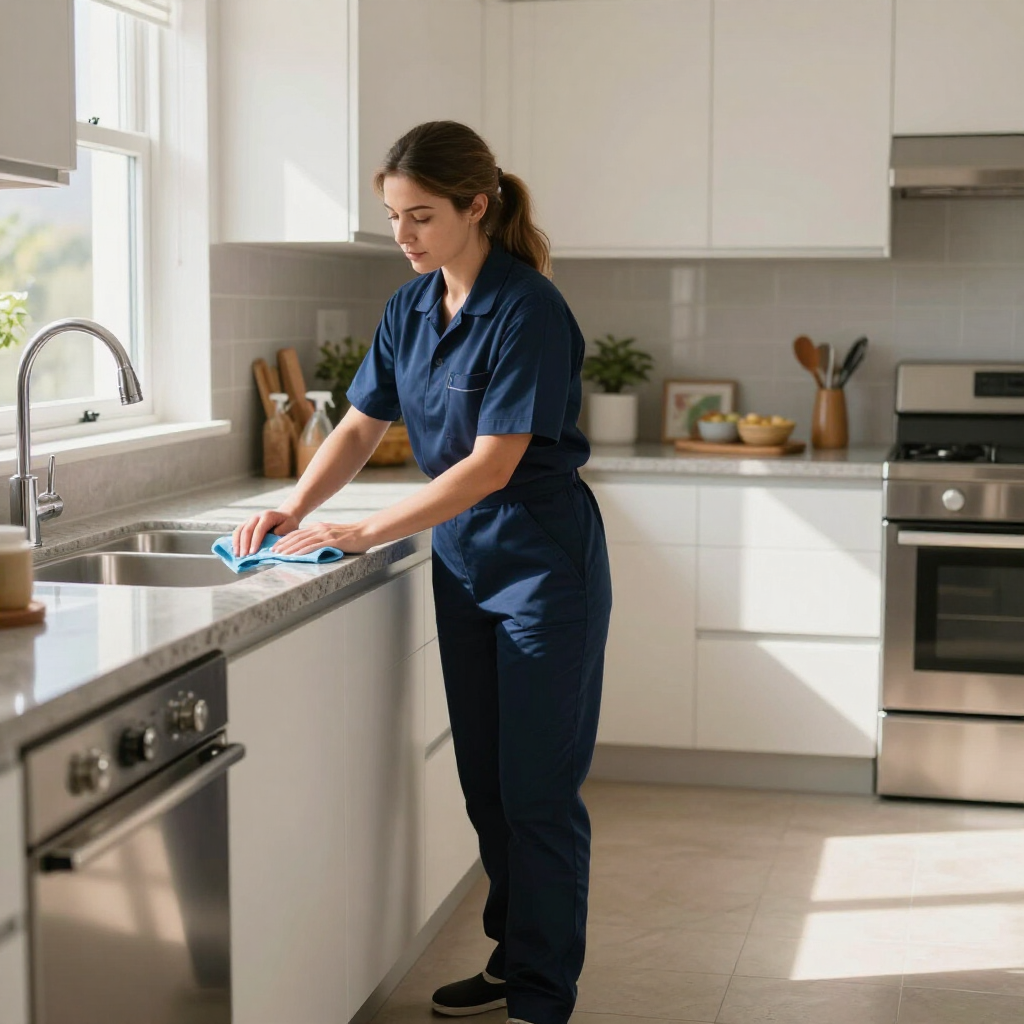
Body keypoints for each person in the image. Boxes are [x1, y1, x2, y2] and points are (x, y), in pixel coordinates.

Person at [233, 120, 612, 1024]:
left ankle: (542, 998)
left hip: (540, 568)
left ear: (477, 207)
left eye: (421, 216)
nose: (402, 235)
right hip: (463, 561)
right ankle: (513, 958)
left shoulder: (527, 309)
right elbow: (362, 424)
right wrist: (297, 503)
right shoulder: (410, 307)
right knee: (487, 786)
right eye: (395, 217)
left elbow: (490, 464)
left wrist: (361, 532)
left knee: (537, 794)